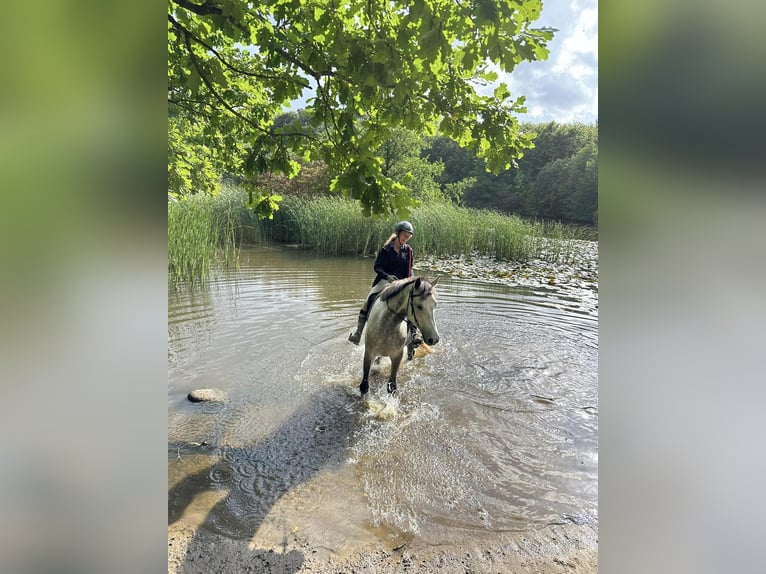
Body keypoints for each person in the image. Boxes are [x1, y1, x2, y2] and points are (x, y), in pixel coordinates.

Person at [348, 221, 423, 356]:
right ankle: (358, 333)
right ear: (398, 234)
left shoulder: (409, 250)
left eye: (408, 237)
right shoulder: (386, 249)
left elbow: (410, 269)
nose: (406, 239)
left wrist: (410, 281)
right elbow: (377, 267)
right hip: (385, 280)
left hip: (402, 283)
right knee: (369, 298)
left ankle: (414, 333)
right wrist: (388, 277)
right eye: (404, 236)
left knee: (413, 303)